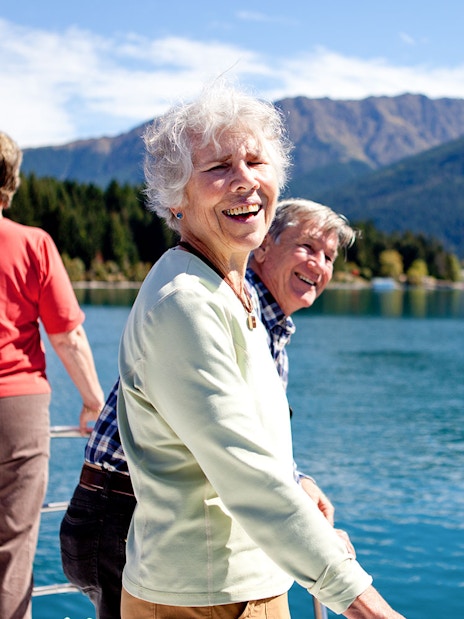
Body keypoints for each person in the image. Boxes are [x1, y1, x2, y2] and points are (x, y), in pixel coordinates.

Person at [116, 83, 405, 618]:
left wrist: (296, 481)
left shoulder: (231, 287)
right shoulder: (185, 302)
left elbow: (252, 447)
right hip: (205, 598)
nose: (245, 180)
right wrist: (369, 607)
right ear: (177, 197)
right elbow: (245, 472)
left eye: (255, 161)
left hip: (241, 583)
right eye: (219, 167)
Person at [59, 197, 357, 619]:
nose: (320, 265)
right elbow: (229, 448)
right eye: (307, 247)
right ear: (265, 244)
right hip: (124, 512)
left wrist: (297, 480)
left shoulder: (262, 321)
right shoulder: (219, 303)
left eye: (329, 256)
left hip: (135, 511)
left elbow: (237, 434)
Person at [0, 131, 105, 619]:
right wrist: (93, 402)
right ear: (12, 182)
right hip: (14, 410)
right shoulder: (31, 244)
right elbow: (67, 336)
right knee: (11, 545)